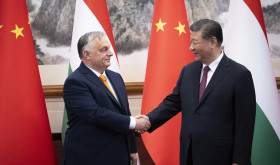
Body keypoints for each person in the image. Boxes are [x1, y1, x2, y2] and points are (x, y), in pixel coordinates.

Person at [142, 19, 256, 165]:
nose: (190, 48)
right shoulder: (188, 71)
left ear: (213, 42)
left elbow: (245, 124)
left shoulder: (239, 74)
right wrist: (147, 120)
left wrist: (239, 161)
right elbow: (173, 102)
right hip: (189, 154)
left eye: (195, 43)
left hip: (220, 157)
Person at [62, 31, 150, 165]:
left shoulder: (115, 77)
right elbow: (95, 114)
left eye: (109, 48)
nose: (110, 53)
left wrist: (132, 148)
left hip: (119, 154)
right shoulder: (75, 82)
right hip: (90, 157)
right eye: (104, 49)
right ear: (87, 54)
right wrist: (134, 122)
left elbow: (125, 112)